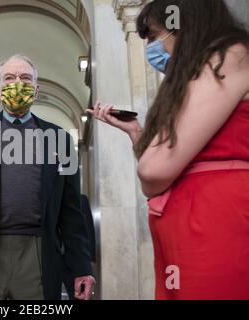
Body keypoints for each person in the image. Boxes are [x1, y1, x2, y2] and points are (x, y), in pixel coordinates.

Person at [87, 0, 249, 300]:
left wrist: (151, 164)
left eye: (153, 35)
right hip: (188, 229)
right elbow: (161, 167)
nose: (151, 48)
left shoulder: (230, 56)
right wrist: (136, 131)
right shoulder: (194, 77)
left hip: (217, 224)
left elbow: (154, 170)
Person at [0, 54, 95, 300]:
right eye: (9, 78)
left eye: (25, 78)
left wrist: (82, 268)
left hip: (38, 251)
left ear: (35, 89)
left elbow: (71, 210)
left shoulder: (61, 139)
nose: (17, 83)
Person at [62, 194, 96, 300]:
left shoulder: (81, 199)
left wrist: (90, 259)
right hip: (51, 256)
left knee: (80, 295)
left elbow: (88, 230)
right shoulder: (46, 199)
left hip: (75, 260)